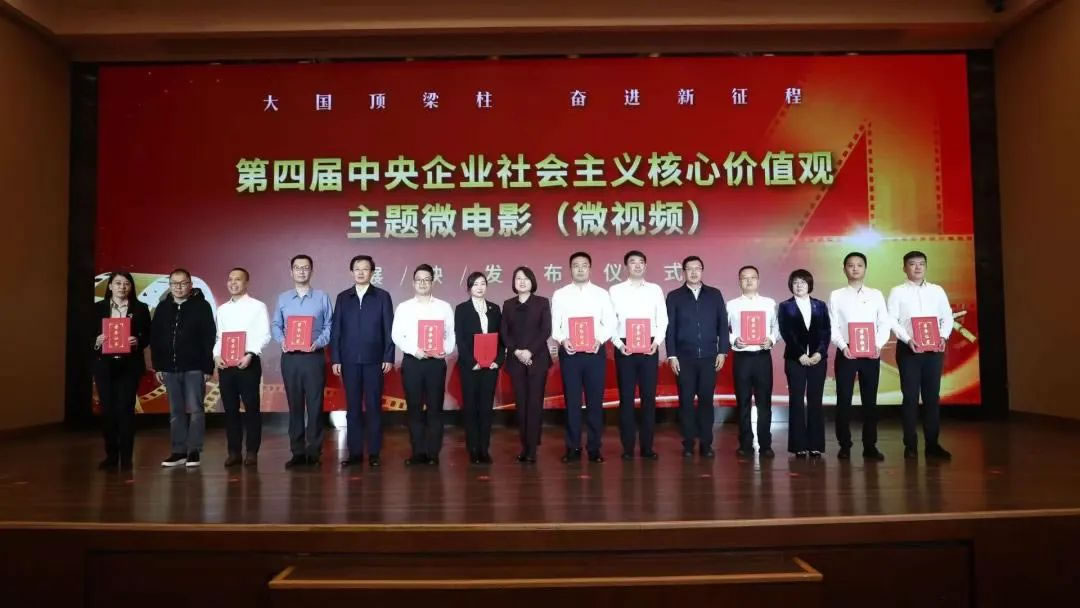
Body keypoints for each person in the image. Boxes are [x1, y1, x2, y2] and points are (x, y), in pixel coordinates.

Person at [551, 251, 616, 463]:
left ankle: (594, 448)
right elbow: (555, 325)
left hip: (594, 354)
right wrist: (563, 340)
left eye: (584, 265)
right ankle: (573, 447)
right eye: (576, 265)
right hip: (570, 355)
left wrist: (599, 339)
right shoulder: (560, 294)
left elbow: (610, 323)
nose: (580, 269)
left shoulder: (601, 294)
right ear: (570, 269)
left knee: (595, 402)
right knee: (572, 402)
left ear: (590, 268)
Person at [887, 251, 953, 461]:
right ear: (904, 268)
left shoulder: (937, 290)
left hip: (934, 350)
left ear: (926, 267)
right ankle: (911, 445)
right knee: (910, 397)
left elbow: (947, 316)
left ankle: (932, 445)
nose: (917, 268)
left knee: (932, 397)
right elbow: (892, 319)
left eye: (921, 264)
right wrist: (908, 339)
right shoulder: (897, 292)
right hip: (909, 349)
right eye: (912, 264)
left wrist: (943, 336)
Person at [330, 255, 394, 468]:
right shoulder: (343, 298)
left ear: (372, 273)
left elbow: (389, 329)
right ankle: (355, 453)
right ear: (351, 272)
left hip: (375, 360)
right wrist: (336, 358)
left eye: (365, 269)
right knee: (353, 408)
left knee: (374, 407)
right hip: (349, 361)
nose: (360, 272)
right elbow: (336, 330)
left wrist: (388, 356)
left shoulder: (382, 296)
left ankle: (374, 453)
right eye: (357, 269)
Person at [271, 254, 333, 469]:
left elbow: (330, 325)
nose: (301, 271)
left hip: (314, 357)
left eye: (305, 268)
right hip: (290, 358)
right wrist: (282, 341)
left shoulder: (322, 297)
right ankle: (297, 452)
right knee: (295, 405)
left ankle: (314, 451)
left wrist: (318, 343)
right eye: (297, 268)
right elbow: (276, 325)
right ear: (291, 272)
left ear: (311, 271)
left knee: (315, 405)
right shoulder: (283, 298)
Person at [828, 252, 892, 461]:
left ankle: (870, 446)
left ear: (865, 268)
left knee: (870, 401)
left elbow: (884, 323)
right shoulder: (836, 295)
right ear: (844, 269)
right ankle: (844, 445)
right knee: (844, 399)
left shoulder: (876, 294)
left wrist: (878, 345)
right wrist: (842, 346)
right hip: (846, 351)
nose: (855, 268)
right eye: (850, 265)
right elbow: (832, 325)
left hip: (871, 352)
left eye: (859, 265)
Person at [665, 256, 729, 458]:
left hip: (709, 357)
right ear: (683, 272)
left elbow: (723, 324)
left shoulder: (714, 294)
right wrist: (672, 355)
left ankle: (706, 444)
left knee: (706, 401)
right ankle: (688, 444)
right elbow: (670, 328)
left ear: (702, 270)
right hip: (684, 358)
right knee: (685, 402)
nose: (693, 272)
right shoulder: (674, 296)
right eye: (689, 269)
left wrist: (722, 351)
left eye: (697, 268)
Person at [151, 268, 216, 468]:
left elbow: (209, 337)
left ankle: (194, 450)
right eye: (174, 283)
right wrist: (158, 366)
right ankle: (178, 451)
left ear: (190, 285)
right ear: (169, 285)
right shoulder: (163, 307)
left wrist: (208, 367)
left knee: (196, 410)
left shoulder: (202, 306)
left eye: (183, 283)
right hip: (169, 368)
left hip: (195, 367)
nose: (178, 287)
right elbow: (156, 338)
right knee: (175, 411)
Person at [392, 264, 456, 465]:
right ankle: (418, 452)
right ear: (413, 283)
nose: (422, 283)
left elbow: (450, 334)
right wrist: (414, 350)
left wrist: (444, 350)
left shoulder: (444, 307)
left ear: (432, 282)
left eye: (426, 279)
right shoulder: (404, 307)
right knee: (414, 408)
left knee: (435, 408)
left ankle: (433, 453)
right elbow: (396, 335)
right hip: (413, 362)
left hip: (436, 363)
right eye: (418, 280)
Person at [608, 250, 667, 460]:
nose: (637, 265)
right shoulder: (615, 290)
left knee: (648, 398)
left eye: (641, 262)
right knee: (626, 398)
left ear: (645, 266)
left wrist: (656, 342)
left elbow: (663, 319)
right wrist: (618, 344)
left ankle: (647, 447)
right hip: (625, 347)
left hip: (649, 346)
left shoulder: (655, 289)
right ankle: (627, 447)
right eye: (633, 262)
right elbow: (609, 320)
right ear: (626, 266)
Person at [93, 271, 151, 471]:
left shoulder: (140, 308)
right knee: (108, 411)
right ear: (110, 286)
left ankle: (126, 457)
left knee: (126, 411)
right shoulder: (98, 308)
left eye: (126, 283)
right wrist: (97, 341)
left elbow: (148, 335)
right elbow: (85, 335)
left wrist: (138, 341)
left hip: (129, 366)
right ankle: (111, 455)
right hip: (105, 366)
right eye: (118, 283)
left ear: (131, 287)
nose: (122, 287)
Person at [213, 268, 271, 468]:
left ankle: (252, 452)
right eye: (230, 279)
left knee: (251, 408)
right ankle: (234, 452)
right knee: (230, 410)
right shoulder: (222, 309)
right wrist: (216, 355)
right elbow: (219, 337)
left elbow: (265, 335)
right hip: (226, 364)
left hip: (249, 362)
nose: (233, 283)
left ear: (246, 283)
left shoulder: (258, 306)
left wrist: (250, 354)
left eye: (238, 279)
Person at [726, 265, 780, 459]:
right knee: (743, 402)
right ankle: (745, 444)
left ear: (758, 280)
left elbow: (777, 327)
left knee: (764, 402)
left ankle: (765, 445)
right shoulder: (731, 305)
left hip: (762, 357)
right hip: (742, 358)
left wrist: (771, 340)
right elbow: (723, 329)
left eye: (752, 277)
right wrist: (734, 340)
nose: (749, 281)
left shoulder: (769, 303)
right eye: (744, 278)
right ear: (739, 281)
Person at [777, 269, 831, 458]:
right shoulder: (785, 306)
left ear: (810, 285)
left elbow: (826, 331)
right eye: (795, 282)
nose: (799, 286)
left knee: (816, 400)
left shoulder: (820, 305)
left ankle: (816, 444)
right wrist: (800, 354)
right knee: (797, 400)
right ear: (791, 285)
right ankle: (798, 445)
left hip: (818, 359)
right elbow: (786, 332)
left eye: (803, 282)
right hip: (795, 360)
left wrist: (819, 353)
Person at [500, 266, 551, 464]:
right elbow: (505, 332)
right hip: (516, 360)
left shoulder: (542, 303)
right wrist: (517, 352)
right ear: (514, 283)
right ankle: (524, 446)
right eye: (518, 278)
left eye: (525, 278)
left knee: (534, 404)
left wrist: (529, 351)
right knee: (521, 405)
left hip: (537, 359)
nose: (521, 282)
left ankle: (532, 448)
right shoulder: (508, 304)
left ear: (532, 282)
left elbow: (545, 330)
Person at [454, 272, 505, 464]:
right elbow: (460, 339)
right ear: (469, 288)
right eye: (475, 284)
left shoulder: (494, 308)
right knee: (471, 408)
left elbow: (501, 338)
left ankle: (484, 448)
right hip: (470, 367)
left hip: (490, 367)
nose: (479, 287)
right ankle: (473, 449)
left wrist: (498, 361)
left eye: (483, 283)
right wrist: (472, 362)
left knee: (486, 408)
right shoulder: (462, 309)